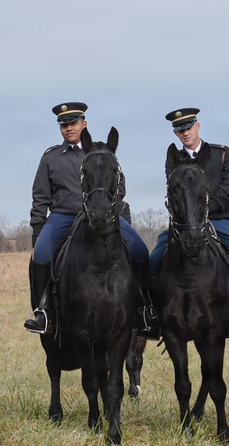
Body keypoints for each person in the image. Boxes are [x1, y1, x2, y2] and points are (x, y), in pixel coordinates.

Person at [24, 101, 158, 338]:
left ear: (83, 124)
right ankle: (43, 312)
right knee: (41, 254)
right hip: (63, 216)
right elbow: (40, 195)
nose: (69, 128)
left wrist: (109, 211)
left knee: (139, 250)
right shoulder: (51, 157)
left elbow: (120, 188)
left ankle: (145, 308)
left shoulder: (102, 153)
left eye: (73, 123)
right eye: (64, 125)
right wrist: (37, 228)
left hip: (104, 217)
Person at [149, 108, 229, 335]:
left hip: (219, 220)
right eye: (180, 130)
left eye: (188, 127)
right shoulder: (174, 160)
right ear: (175, 133)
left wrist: (206, 208)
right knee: (153, 259)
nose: (185, 133)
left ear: (198, 126)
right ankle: (153, 312)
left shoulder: (221, 153)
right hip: (184, 225)